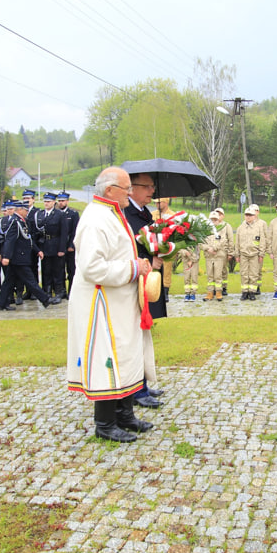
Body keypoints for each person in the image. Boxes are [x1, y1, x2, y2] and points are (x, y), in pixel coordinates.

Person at [66, 167, 154, 443]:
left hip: (119, 299)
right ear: (108, 190)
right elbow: (91, 267)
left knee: (126, 354)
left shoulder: (114, 214)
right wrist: (132, 268)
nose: (130, 193)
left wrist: (140, 264)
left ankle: (124, 414)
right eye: (125, 188)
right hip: (100, 303)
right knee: (106, 359)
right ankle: (105, 423)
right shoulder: (94, 219)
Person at [123, 173, 166, 408]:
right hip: (134, 281)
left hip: (146, 279)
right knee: (134, 335)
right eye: (147, 186)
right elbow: (128, 249)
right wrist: (150, 259)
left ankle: (142, 384)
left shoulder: (144, 212)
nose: (152, 191)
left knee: (143, 335)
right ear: (131, 189)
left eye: (153, 186)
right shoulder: (126, 215)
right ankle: (136, 389)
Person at [0, 201, 51, 311]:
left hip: (20, 257)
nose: (26, 212)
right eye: (25, 210)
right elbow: (10, 240)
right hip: (18, 258)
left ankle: (1, 303)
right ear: (20, 210)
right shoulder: (15, 222)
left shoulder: (22, 221)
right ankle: (45, 299)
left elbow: (28, 239)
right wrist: (6, 256)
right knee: (30, 280)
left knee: (8, 282)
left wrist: (37, 250)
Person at [38, 192, 68, 303]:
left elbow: (64, 233)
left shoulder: (59, 214)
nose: (46, 203)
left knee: (57, 270)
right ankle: (47, 291)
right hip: (45, 245)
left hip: (56, 245)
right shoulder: (41, 214)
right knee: (46, 270)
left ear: (54, 202)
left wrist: (61, 249)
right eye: (45, 201)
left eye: (49, 201)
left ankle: (59, 292)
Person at [235, 204, 266, 301]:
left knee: (253, 274)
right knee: (244, 273)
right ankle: (245, 292)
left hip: (254, 255)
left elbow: (262, 241)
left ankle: (252, 292)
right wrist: (237, 254)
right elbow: (237, 242)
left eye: (250, 215)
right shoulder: (240, 228)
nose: (248, 217)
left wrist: (261, 254)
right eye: (247, 215)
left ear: (254, 216)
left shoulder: (259, 227)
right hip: (243, 254)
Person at [201, 210, 231, 302]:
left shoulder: (222, 229)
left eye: (215, 220)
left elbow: (223, 241)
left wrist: (214, 248)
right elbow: (200, 242)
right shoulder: (205, 230)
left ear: (218, 221)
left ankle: (218, 292)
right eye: (211, 220)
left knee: (218, 275)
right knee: (210, 276)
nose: (213, 222)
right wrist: (207, 248)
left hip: (218, 256)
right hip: (209, 256)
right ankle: (210, 293)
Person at [151, 197, 176, 302]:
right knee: (154, 269)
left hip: (167, 246)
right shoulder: (152, 214)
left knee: (166, 270)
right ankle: (154, 291)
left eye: (159, 203)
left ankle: (165, 292)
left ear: (166, 202)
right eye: (156, 203)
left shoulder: (173, 215)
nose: (157, 205)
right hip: (154, 245)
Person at [57, 191, 79, 297]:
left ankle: (72, 291)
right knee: (60, 270)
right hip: (60, 246)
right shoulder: (57, 213)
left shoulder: (73, 214)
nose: (61, 203)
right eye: (59, 201)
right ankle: (62, 291)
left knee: (71, 270)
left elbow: (75, 231)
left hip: (70, 246)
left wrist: (71, 245)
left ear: (67, 201)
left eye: (63, 201)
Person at [213, 207, 234, 296]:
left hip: (223, 251)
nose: (218, 215)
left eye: (220, 214)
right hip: (213, 252)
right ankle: (215, 288)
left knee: (223, 270)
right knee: (213, 270)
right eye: (217, 213)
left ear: (223, 216)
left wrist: (230, 252)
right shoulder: (212, 225)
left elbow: (230, 239)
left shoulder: (226, 226)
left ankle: (224, 287)